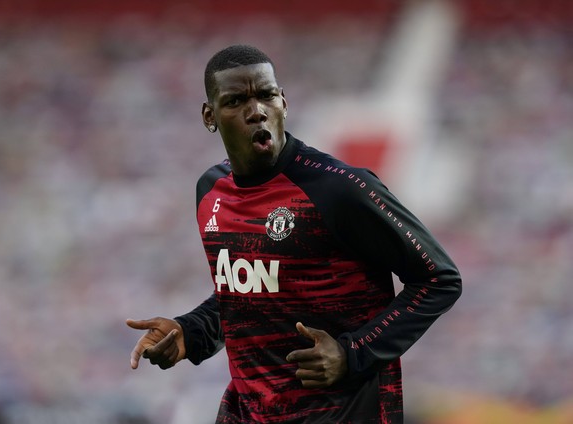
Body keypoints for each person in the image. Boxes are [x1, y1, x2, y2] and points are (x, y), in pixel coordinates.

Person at [126, 44, 462, 424]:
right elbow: (246, 297)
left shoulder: (338, 189)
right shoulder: (211, 191)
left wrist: (354, 353)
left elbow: (440, 278)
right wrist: (190, 332)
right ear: (210, 116)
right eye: (236, 101)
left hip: (342, 413)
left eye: (267, 95)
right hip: (249, 413)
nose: (256, 111)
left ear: (283, 102)